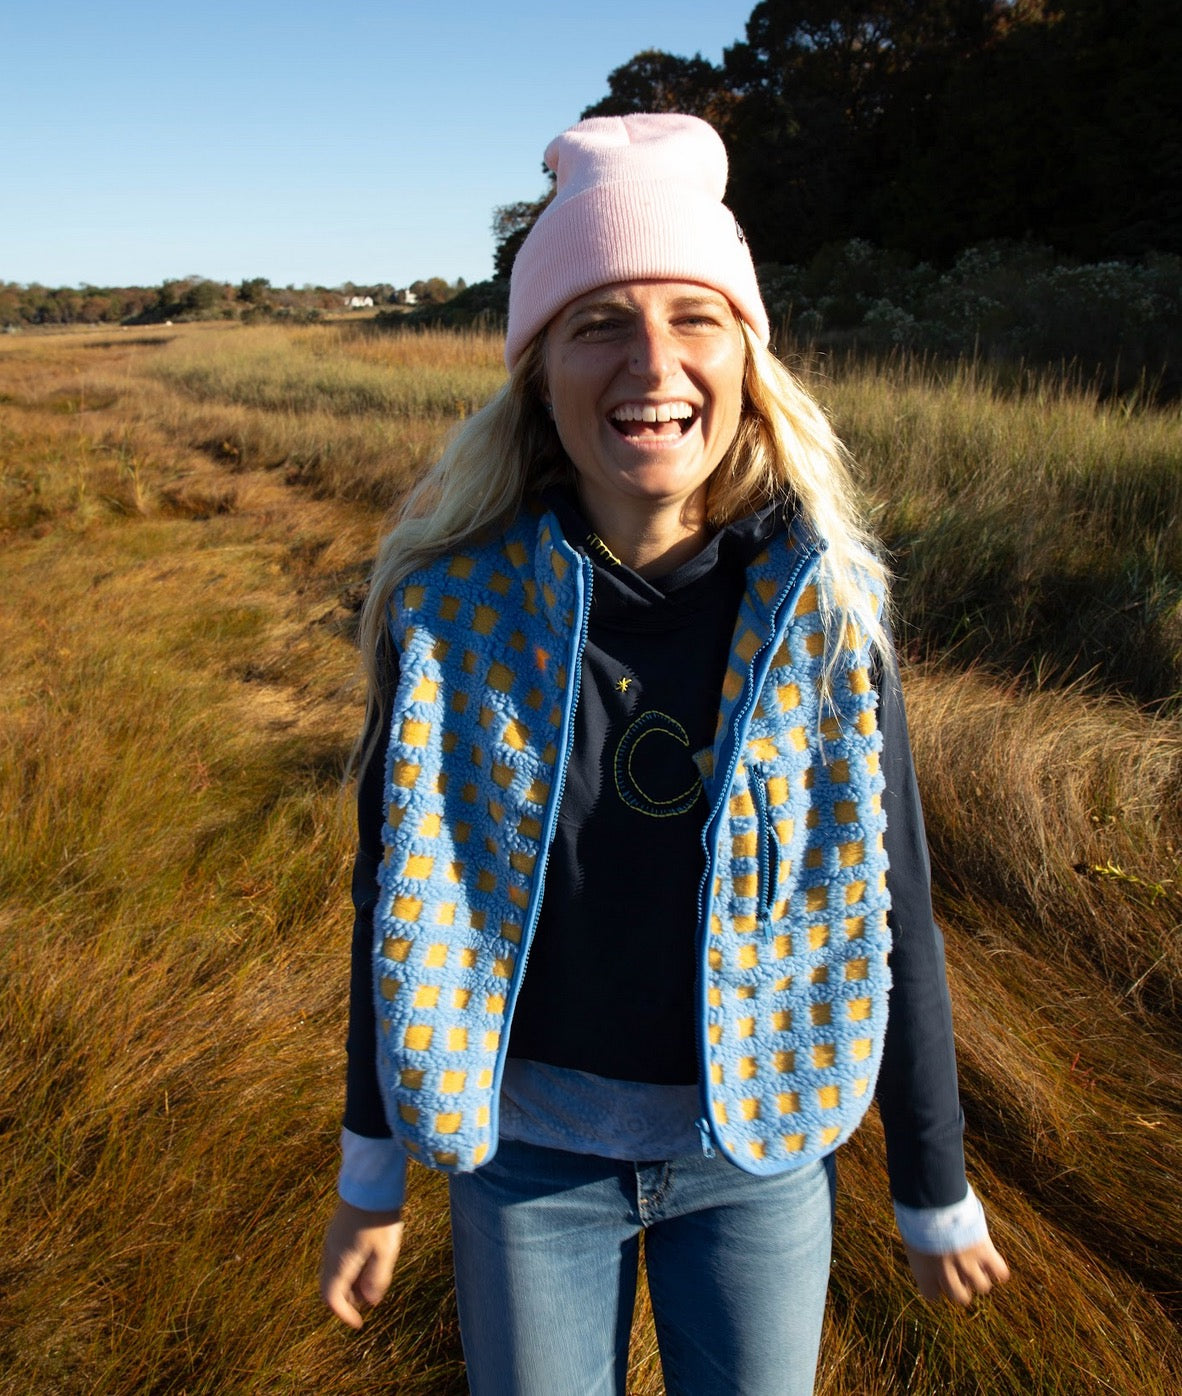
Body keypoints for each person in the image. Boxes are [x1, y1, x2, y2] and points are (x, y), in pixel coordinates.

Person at [319, 113, 1010, 1396]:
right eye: (598, 322)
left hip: (758, 1155)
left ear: (746, 356)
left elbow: (891, 902)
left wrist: (935, 1183)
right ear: (537, 371)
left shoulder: (826, 610)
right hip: (524, 1162)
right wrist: (371, 1174)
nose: (653, 360)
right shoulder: (444, 615)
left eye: (693, 315)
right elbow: (393, 903)